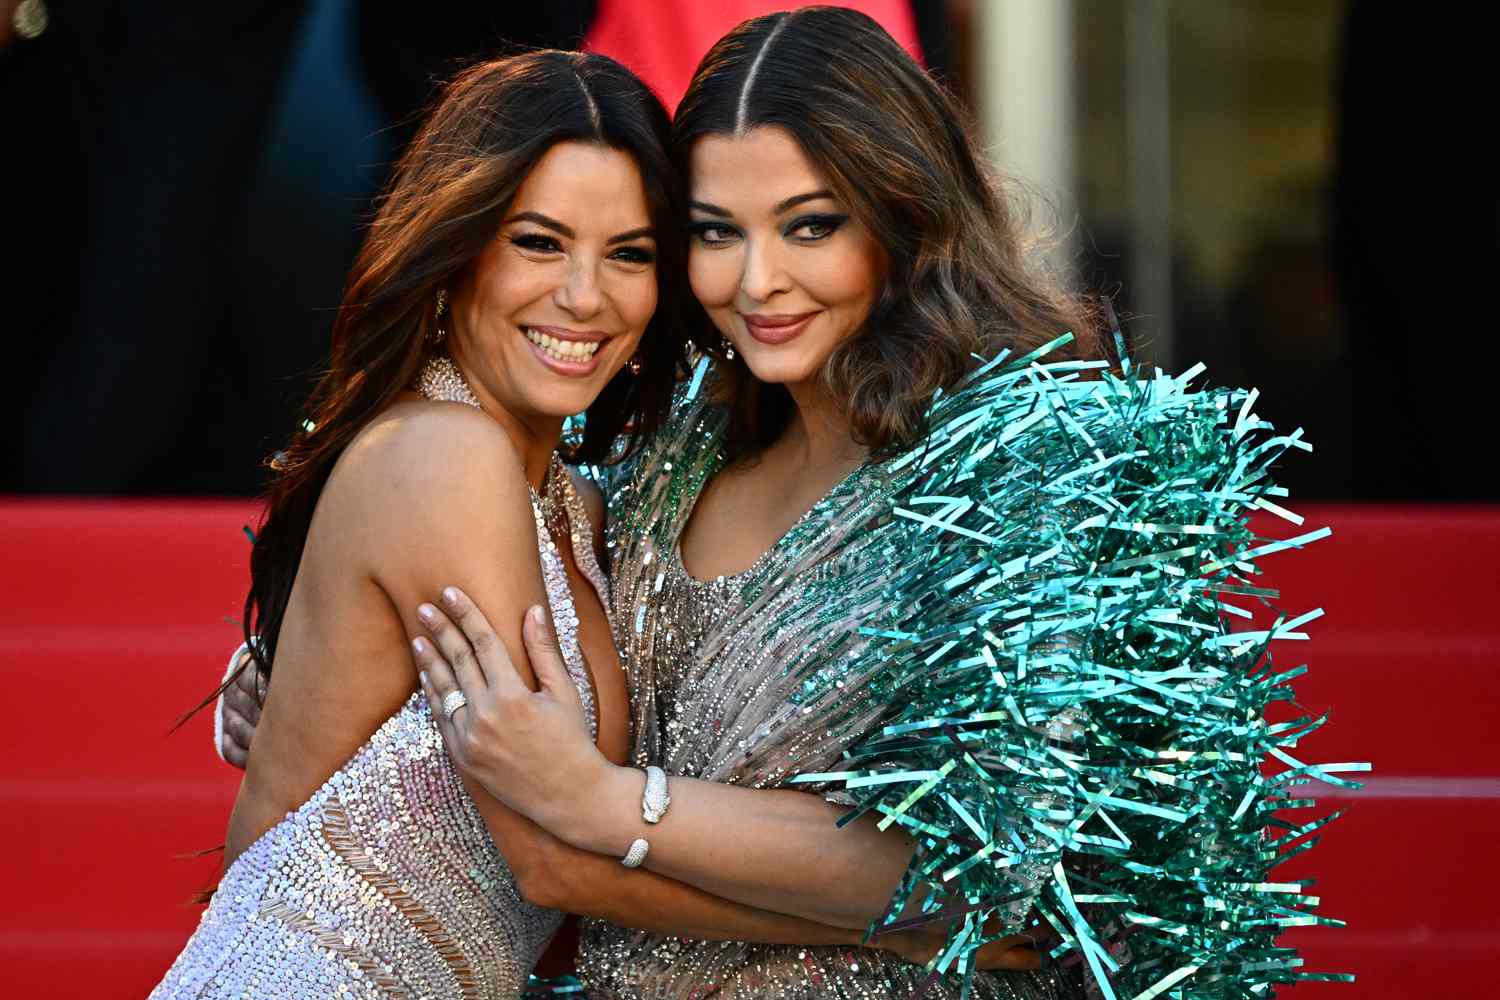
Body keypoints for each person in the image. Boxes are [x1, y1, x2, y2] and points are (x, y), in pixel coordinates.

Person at [406, 9, 1350, 1000]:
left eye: (811, 226)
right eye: (716, 233)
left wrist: (610, 808)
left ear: (902, 216)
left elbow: (980, 870)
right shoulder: (668, 451)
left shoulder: (1025, 465)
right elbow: (529, 686)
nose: (759, 280)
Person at [154, 48, 930, 1000]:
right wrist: (915, 926)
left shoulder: (581, 506)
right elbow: (554, 862)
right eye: (538, 242)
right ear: (458, 246)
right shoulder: (445, 457)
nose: (585, 296)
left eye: (631, 253)